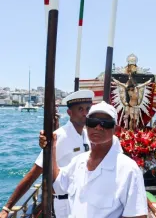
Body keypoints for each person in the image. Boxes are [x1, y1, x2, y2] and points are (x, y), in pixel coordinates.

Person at [0, 90, 94, 218]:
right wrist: (7, 208)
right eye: (80, 109)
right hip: (65, 205)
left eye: (88, 109)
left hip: (82, 201)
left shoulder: (85, 135)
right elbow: (35, 172)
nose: (85, 113)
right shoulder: (60, 136)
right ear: (69, 113)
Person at [48, 101, 147, 217]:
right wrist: (52, 147)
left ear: (115, 129)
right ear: (87, 125)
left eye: (106, 123)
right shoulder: (78, 161)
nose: (98, 127)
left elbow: (137, 215)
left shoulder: (128, 169)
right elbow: (57, 187)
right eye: (93, 122)